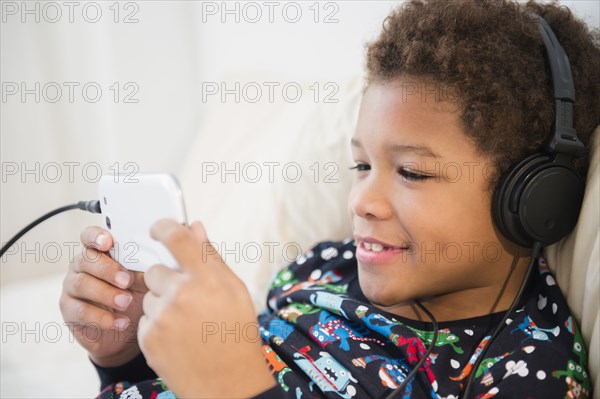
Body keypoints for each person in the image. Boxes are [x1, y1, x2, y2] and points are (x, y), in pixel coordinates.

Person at [59, 0, 600, 398]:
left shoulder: (524, 374)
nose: (362, 200)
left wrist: (235, 389)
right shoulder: (322, 267)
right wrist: (123, 356)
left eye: (411, 171)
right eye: (361, 165)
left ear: (532, 198)